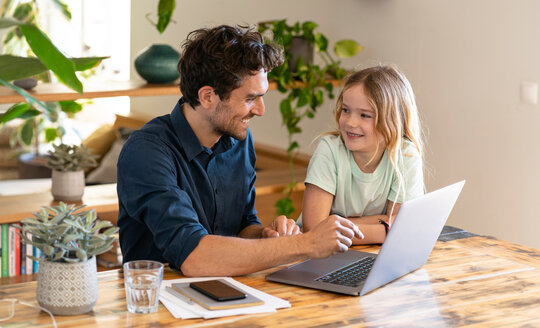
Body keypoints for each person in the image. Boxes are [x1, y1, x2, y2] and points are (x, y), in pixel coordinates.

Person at [117, 25, 363, 277]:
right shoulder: (146, 152)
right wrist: (305, 244)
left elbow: (243, 225)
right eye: (249, 99)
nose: (260, 110)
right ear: (207, 97)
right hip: (156, 301)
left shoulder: (239, 140)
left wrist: (267, 235)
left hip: (228, 291)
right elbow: (194, 257)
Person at [300, 65, 424, 244]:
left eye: (365, 115)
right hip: (319, 255)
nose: (350, 122)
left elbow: (404, 226)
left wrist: (336, 226)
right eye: (346, 110)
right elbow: (315, 230)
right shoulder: (330, 151)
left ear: (393, 121)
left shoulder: (406, 155)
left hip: (373, 253)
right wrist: (385, 228)